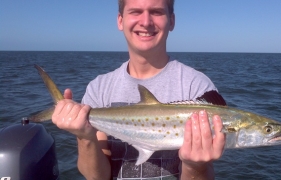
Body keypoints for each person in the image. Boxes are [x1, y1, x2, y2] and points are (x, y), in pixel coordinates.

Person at [52, 0, 226, 179]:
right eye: (135, 11)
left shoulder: (197, 86)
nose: (146, 22)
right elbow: (97, 177)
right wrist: (85, 137)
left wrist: (194, 164)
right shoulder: (99, 88)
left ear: (171, 21)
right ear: (120, 20)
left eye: (156, 12)